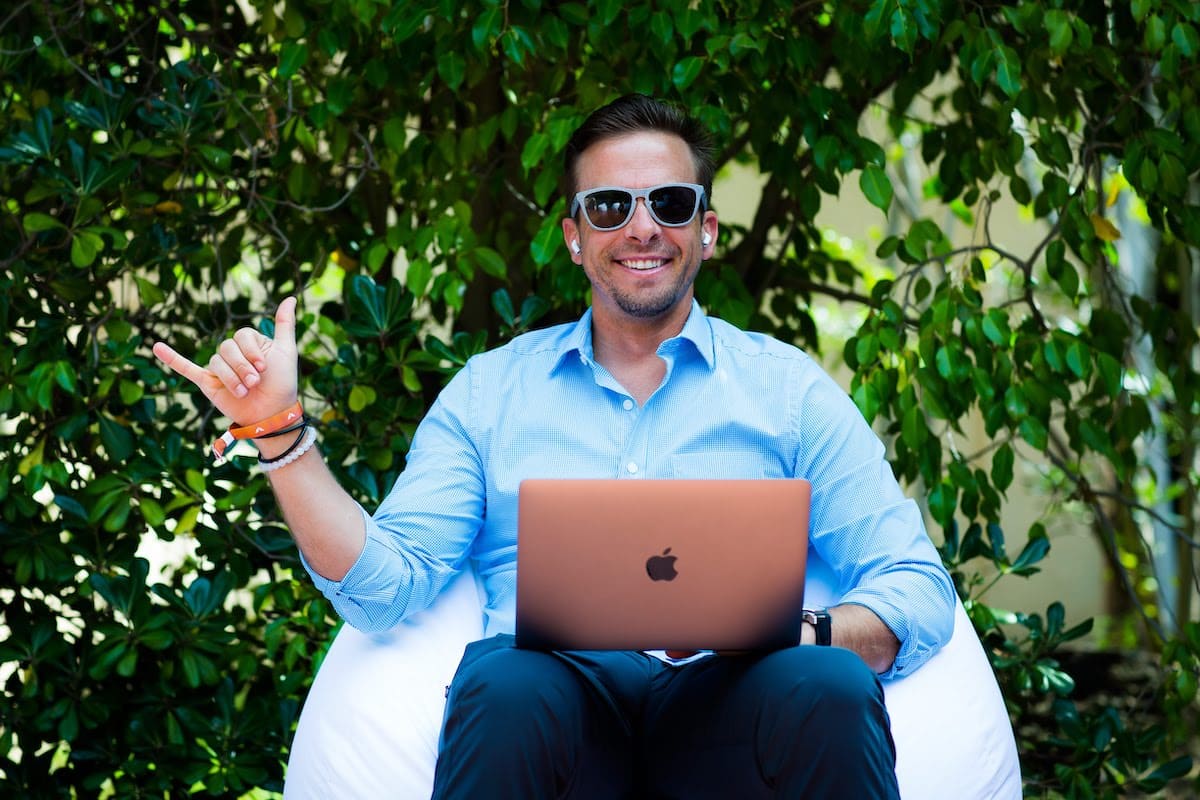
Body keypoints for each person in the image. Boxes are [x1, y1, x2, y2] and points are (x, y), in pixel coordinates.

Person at [154, 94, 956, 798]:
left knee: (829, 683)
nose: (643, 227)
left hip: (734, 710)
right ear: (575, 237)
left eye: (671, 203)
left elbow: (915, 586)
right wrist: (281, 436)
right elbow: (382, 590)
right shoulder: (490, 390)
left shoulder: (788, 391)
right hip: (552, 716)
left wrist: (794, 630)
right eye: (609, 207)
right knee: (502, 680)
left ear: (706, 231)